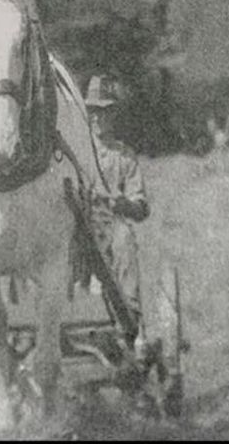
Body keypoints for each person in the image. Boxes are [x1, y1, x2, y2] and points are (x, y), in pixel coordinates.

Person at [81, 74, 150, 347]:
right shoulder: (76, 150)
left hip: (111, 224)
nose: (98, 118)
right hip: (79, 223)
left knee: (124, 239)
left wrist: (124, 204)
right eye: (93, 112)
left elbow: (141, 207)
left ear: (113, 115)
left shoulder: (124, 156)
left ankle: (130, 318)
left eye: (105, 112)